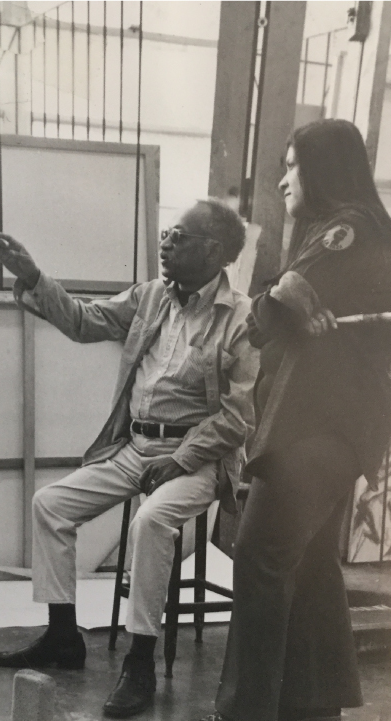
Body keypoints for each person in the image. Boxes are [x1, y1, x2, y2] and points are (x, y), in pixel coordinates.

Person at [0, 198, 258, 719]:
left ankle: (140, 664)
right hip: (134, 447)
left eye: (178, 237)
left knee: (151, 523)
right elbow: (86, 322)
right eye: (165, 234)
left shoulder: (240, 318)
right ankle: (64, 636)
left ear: (215, 252)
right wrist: (34, 275)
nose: (165, 244)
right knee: (51, 504)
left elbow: (238, 417)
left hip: (199, 458)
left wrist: (179, 459)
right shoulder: (153, 296)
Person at [199, 119, 391, 721]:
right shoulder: (357, 229)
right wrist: (287, 299)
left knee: (258, 558)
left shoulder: (345, 230)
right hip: (334, 429)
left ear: (324, 170)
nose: (284, 181)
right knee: (306, 565)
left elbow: (267, 316)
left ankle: (246, 713)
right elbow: (288, 305)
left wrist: (279, 299)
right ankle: (316, 706)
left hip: (315, 430)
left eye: (292, 166)